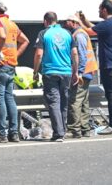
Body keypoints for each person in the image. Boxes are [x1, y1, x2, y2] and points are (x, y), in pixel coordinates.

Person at [78, 0, 112, 134]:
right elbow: (94, 28)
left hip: (111, 66)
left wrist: (78, 21)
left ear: (103, 10)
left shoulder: (107, 24)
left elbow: (89, 32)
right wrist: (84, 20)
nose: (98, 11)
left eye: (99, 9)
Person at [0, 0, 30, 143]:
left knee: (0, 101)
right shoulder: (12, 24)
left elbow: (2, 36)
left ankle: (1, 134)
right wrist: (14, 56)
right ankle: (14, 133)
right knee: (9, 98)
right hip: (10, 65)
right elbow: (25, 41)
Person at [33, 12, 77, 142]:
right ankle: (62, 131)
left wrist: (35, 72)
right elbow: (74, 53)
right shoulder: (67, 33)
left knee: (54, 103)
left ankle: (58, 133)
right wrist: (75, 72)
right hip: (66, 72)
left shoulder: (44, 33)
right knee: (63, 102)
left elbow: (39, 54)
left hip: (50, 72)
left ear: (45, 21)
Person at [64, 14, 98, 138]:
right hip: (86, 72)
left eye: (66, 21)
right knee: (83, 102)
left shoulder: (79, 35)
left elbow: (82, 56)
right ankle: (85, 129)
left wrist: (78, 73)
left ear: (73, 22)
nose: (64, 24)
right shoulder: (79, 34)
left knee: (75, 101)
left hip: (83, 73)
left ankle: (74, 129)